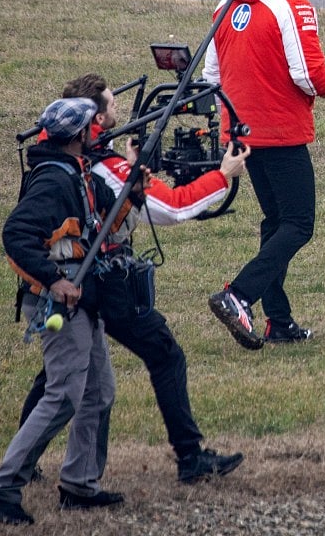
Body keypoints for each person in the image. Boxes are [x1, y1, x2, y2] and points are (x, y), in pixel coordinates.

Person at [17, 74, 249, 486]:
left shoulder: (72, 160)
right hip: (101, 286)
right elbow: (173, 208)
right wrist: (224, 175)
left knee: (63, 375)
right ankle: (190, 457)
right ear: (98, 120)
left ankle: (28, 465)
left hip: (76, 285)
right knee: (162, 353)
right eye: (111, 105)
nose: (118, 110)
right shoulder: (105, 169)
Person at [0, 97, 143, 526]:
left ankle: (79, 485)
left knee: (98, 391)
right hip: (59, 302)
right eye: (93, 128)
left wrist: (135, 181)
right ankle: (2, 490)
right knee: (65, 395)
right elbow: (16, 235)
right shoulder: (54, 181)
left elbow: (113, 211)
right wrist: (55, 280)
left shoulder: (80, 171)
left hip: (83, 299)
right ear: (78, 136)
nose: (99, 132)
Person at [204, 0, 325, 349]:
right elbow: (308, 74)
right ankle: (240, 294)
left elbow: (211, 74)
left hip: (241, 133)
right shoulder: (292, 3)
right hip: (280, 131)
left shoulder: (227, 2)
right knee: (299, 224)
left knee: (276, 221)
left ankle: (278, 320)